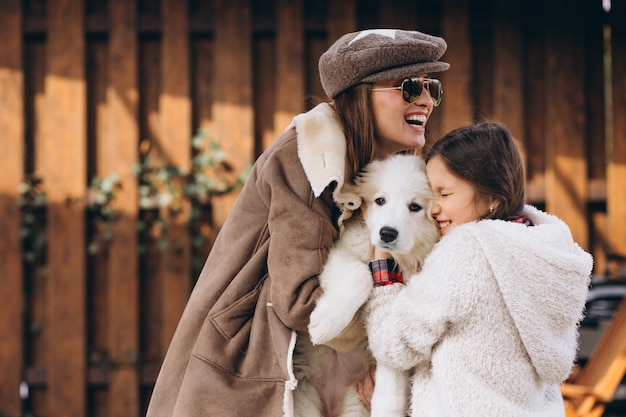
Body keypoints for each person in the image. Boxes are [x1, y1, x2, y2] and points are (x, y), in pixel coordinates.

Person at [146, 28, 450, 417]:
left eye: (432, 88)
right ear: (361, 94)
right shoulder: (308, 159)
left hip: (339, 378)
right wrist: (397, 327)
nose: (426, 100)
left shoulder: (398, 170)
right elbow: (302, 304)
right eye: (410, 87)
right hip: (253, 366)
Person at [362, 122, 593, 416]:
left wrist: (383, 264)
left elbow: (393, 344)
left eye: (445, 194)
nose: (433, 209)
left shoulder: (467, 251)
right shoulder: (546, 249)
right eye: (432, 196)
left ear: (492, 197)